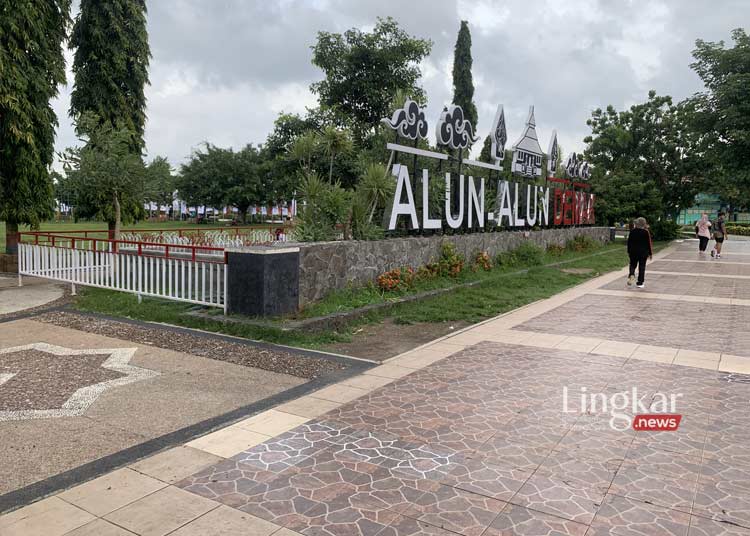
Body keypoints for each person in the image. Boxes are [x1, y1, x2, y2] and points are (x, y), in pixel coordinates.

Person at [627, 217, 653, 288]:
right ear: (644, 224)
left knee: (632, 264)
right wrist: (650, 253)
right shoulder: (646, 232)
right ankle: (640, 283)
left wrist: (629, 251)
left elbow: (629, 242)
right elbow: (649, 243)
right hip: (643, 253)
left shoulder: (632, 231)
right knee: (642, 267)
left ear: (636, 224)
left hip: (633, 252)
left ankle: (632, 274)